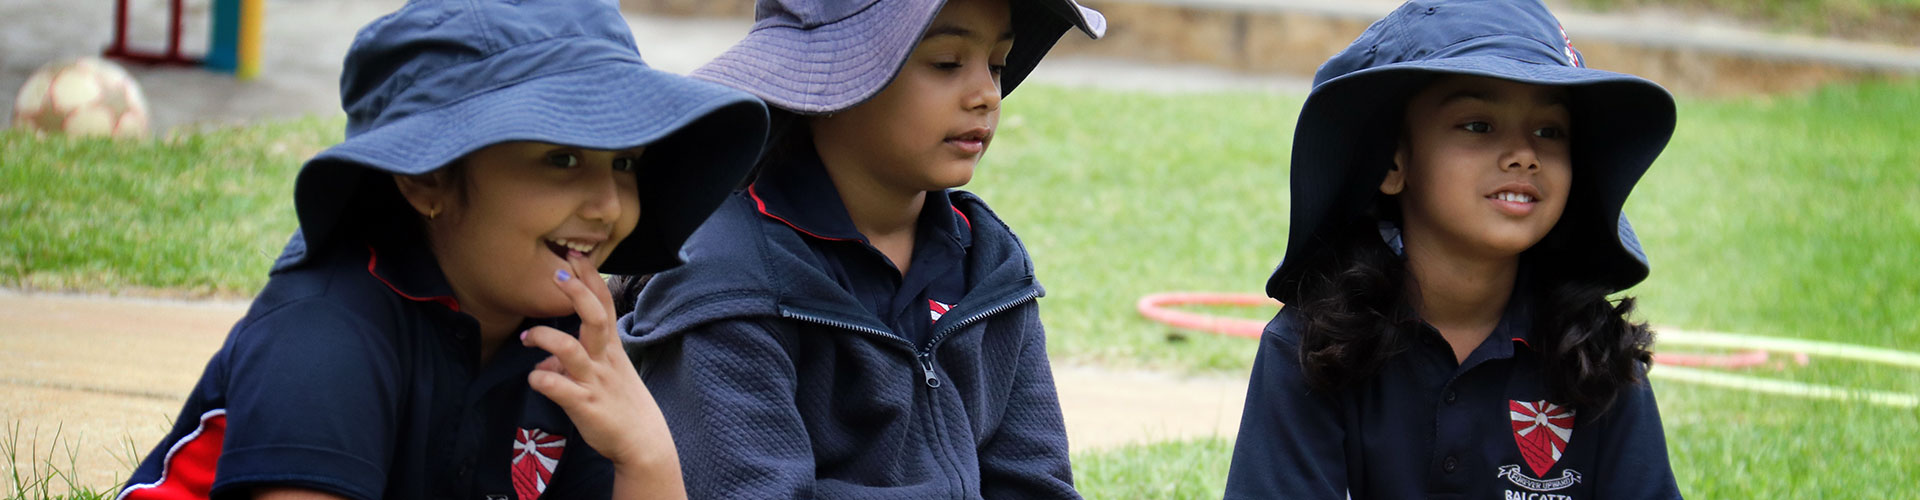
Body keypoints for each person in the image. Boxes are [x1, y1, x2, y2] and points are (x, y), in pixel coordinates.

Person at [118, 0, 767, 498]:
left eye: (625, 161)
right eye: (562, 157)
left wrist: (645, 450)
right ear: (427, 178)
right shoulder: (326, 333)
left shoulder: (567, 342)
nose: (609, 204)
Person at [614, 0, 1103, 497]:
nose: (986, 95)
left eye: (996, 64)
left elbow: (1034, 481)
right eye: (947, 63)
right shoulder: (726, 279)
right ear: (831, 81)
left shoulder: (990, 263)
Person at [1223, 1, 1683, 498]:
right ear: (1394, 164)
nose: (1524, 156)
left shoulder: (1594, 352)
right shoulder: (1311, 346)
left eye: (1549, 132)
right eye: (1478, 125)